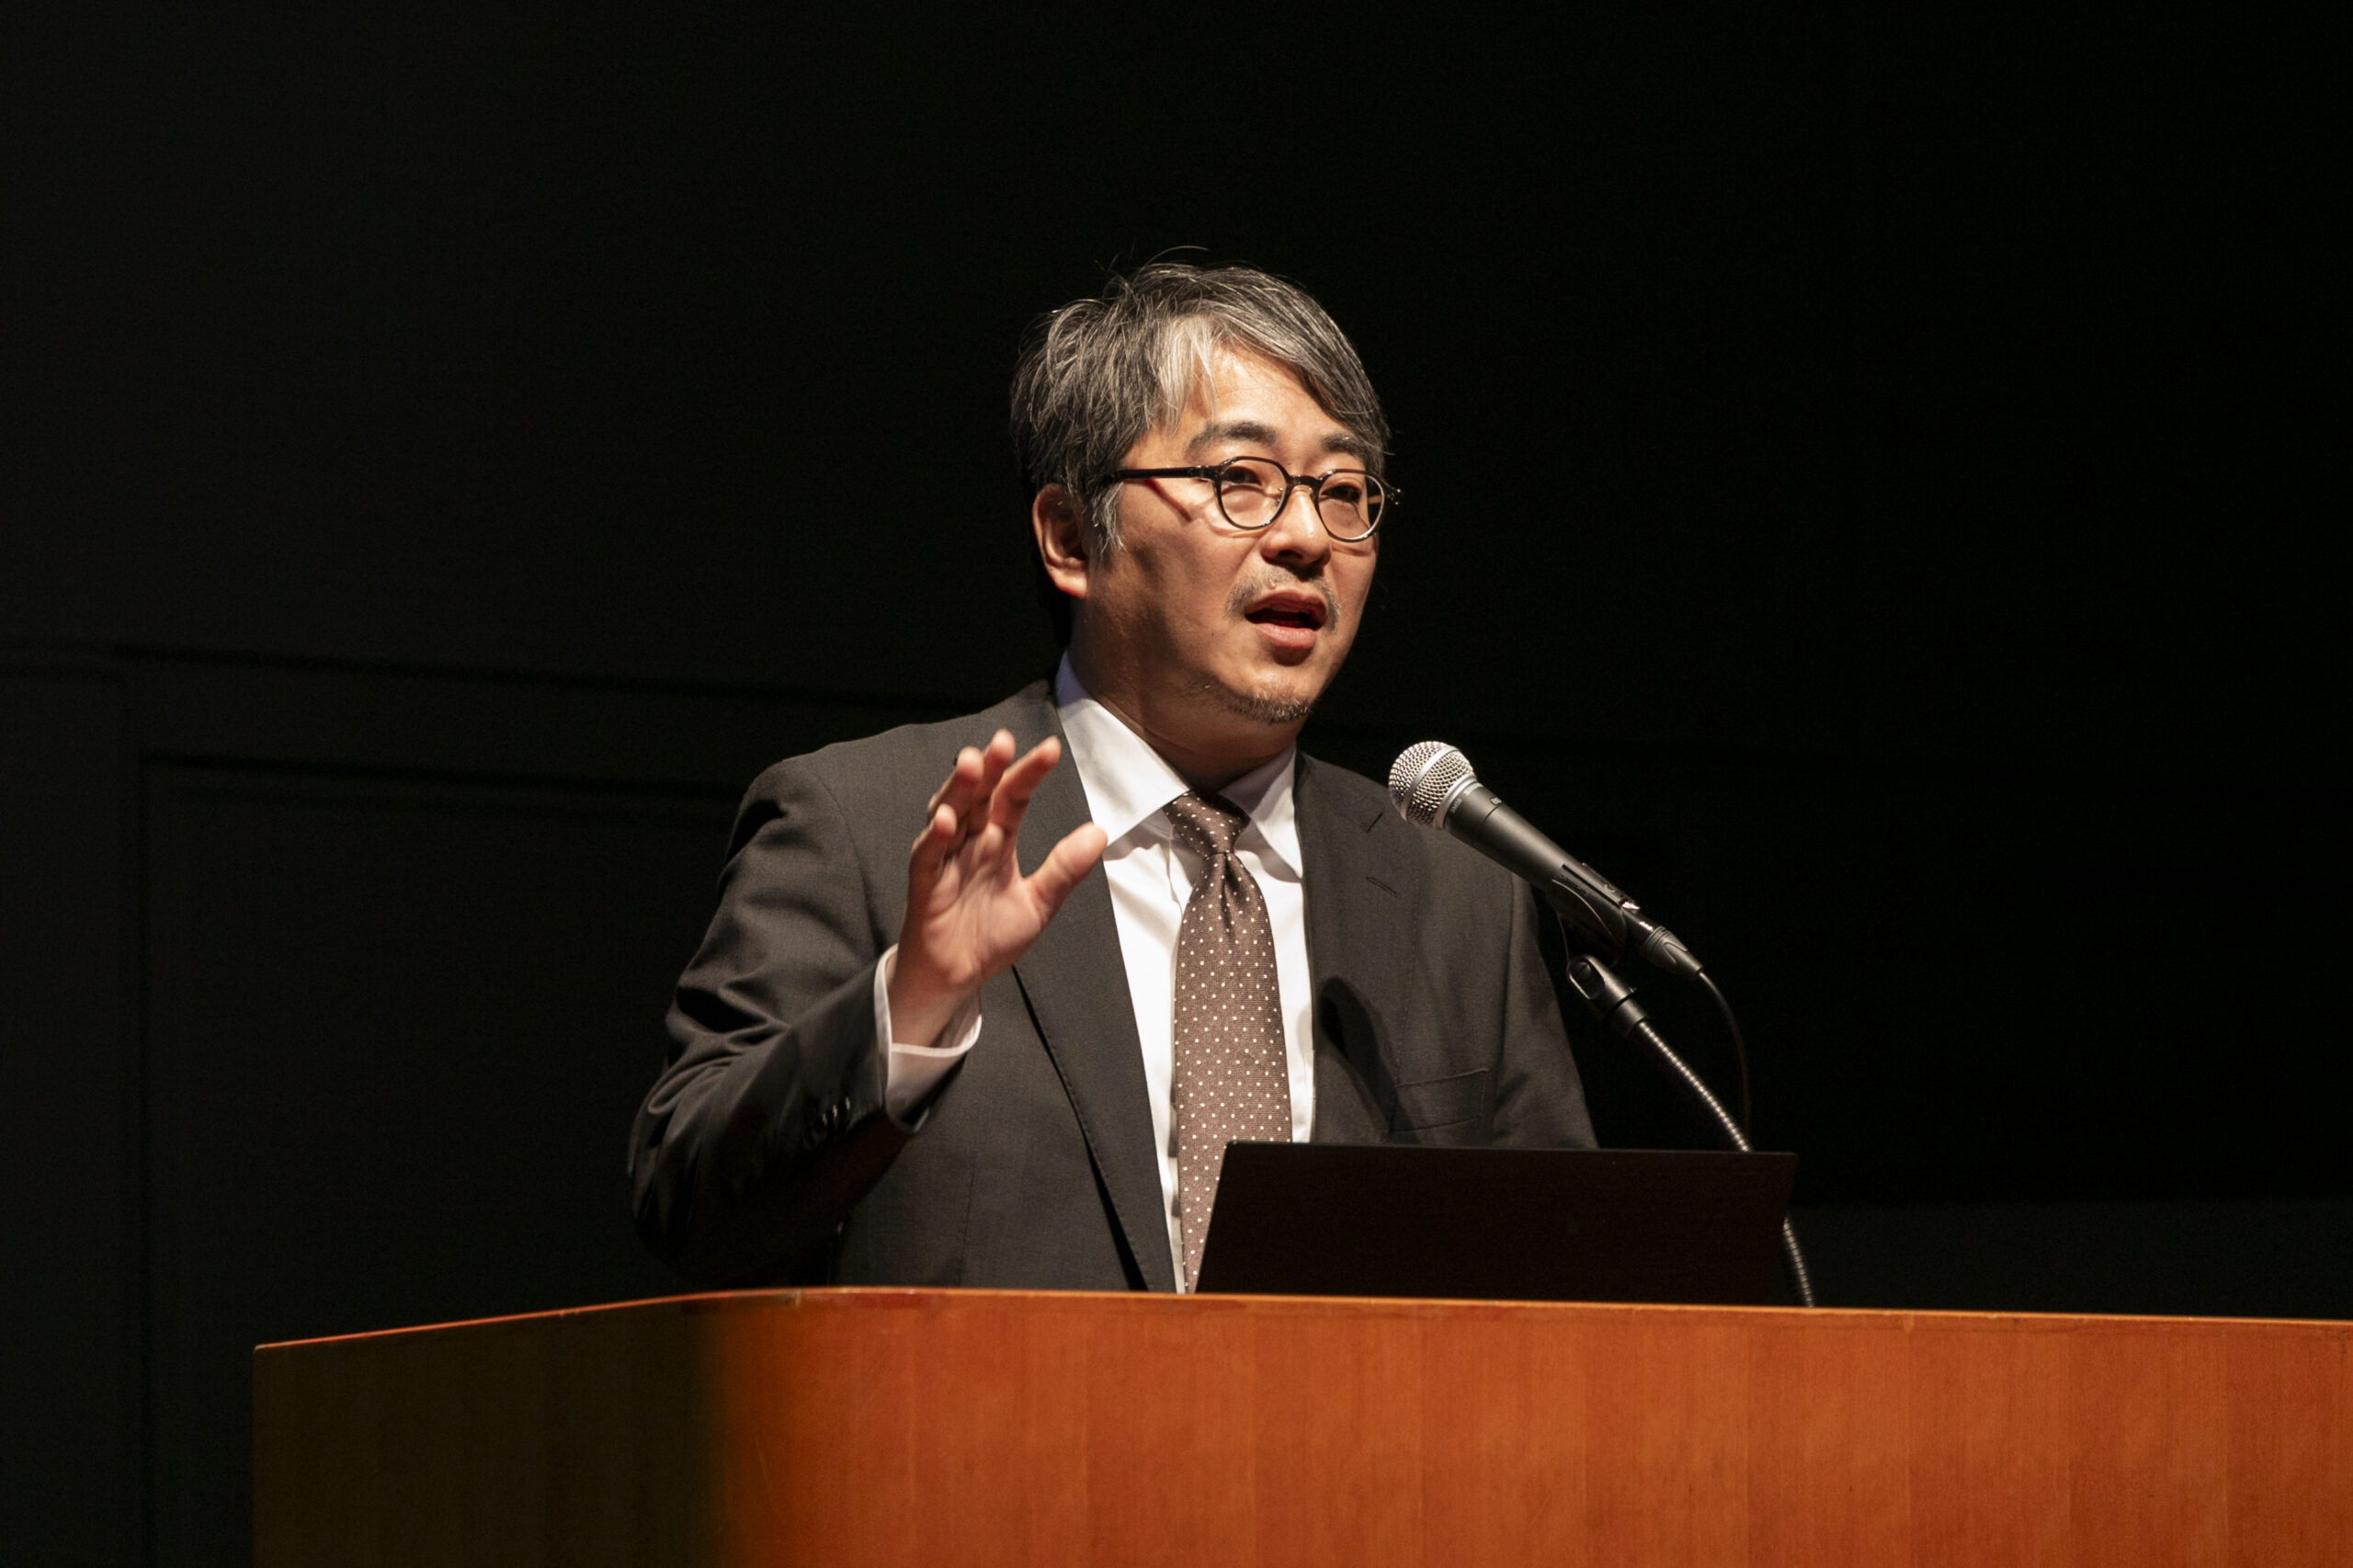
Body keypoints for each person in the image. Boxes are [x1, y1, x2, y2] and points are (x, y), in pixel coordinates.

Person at [630, 263, 1595, 1292]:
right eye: (1241, 479)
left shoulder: (1459, 897)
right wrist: (909, 1007)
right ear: (1070, 537)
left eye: (1344, 490)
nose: (1308, 538)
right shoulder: (864, 827)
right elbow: (687, 1204)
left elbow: (1573, 1291)